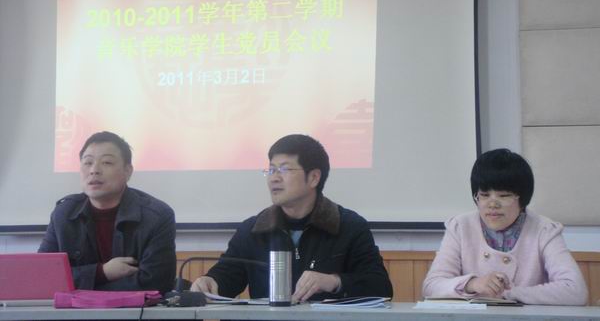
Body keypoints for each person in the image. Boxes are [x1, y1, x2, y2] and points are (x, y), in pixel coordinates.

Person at [191, 134, 393, 302]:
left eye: (284, 169)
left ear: (313, 177)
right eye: (271, 170)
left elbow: (381, 287)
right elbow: (227, 275)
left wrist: (334, 281)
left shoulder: (349, 226)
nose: (274, 178)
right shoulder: (253, 229)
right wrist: (210, 282)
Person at [422, 148, 588, 305]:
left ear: (523, 199)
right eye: (484, 195)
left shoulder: (544, 230)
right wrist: (472, 284)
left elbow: (575, 291)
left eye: (504, 195)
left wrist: (509, 293)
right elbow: (431, 287)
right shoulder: (460, 227)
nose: (492, 204)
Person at [39, 131, 176, 294]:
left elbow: (157, 283)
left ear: (128, 171)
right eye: (88, 162)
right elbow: (43, 275)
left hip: (134, 310)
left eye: (107, 162)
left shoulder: (157, 216)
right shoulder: (63, 214)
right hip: (74, 310)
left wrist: (83, 287)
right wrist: (102, 272)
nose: (94, 170)